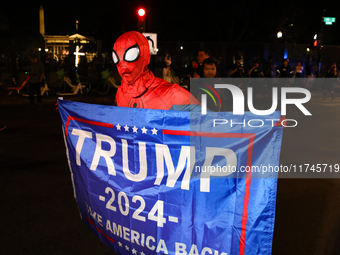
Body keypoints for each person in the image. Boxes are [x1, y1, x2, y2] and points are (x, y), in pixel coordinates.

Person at [112, 31, 200, 111]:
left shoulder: (172, 94)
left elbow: (209, 122)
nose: (123, 65)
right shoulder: (120, 93)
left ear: (146, 56)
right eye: (116, 58)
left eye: (131, 55)